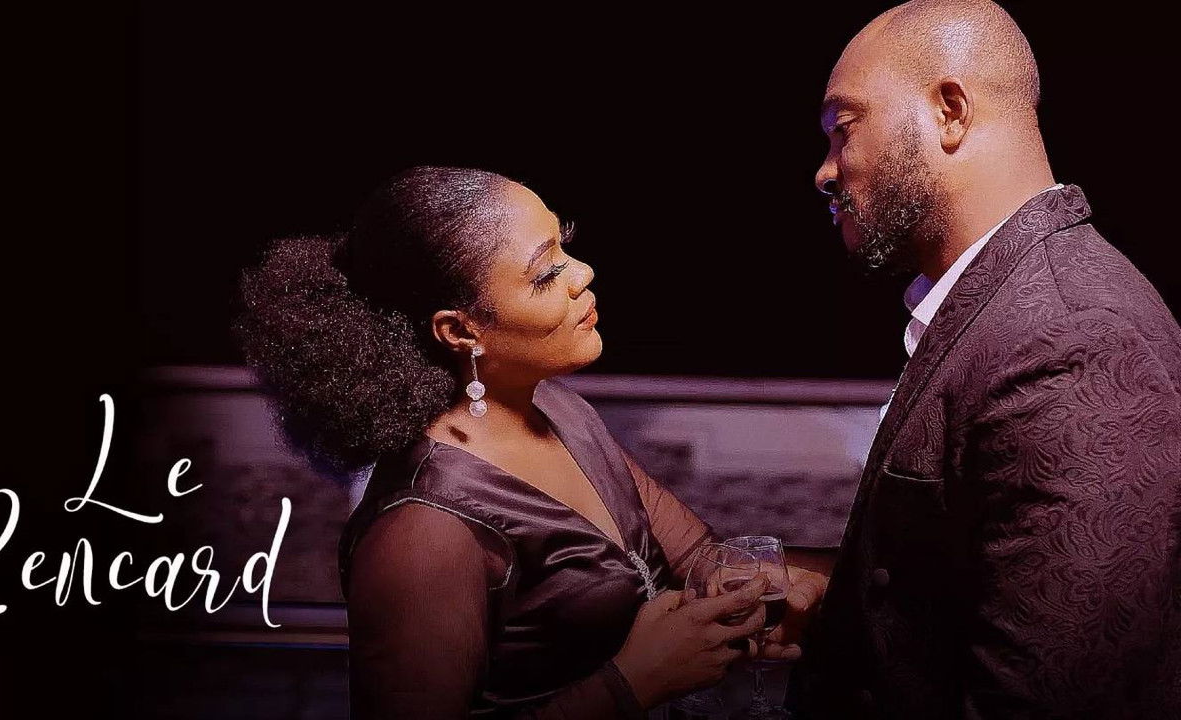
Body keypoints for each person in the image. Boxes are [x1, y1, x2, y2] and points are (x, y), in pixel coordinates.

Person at [233, 166, 828, 719]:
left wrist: (759, 594)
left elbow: (694, 557)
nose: (583, 273)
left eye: (564, 246)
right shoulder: (423, 531)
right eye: (545, 274)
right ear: (460, 330)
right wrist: (633, 681)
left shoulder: (560, 410)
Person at [797, 1, 1181, 718]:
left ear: (950, 112)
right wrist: (837, 610)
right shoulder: (1000, 303)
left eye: (842, 128)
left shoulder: (1075, 339)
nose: (825, 172)